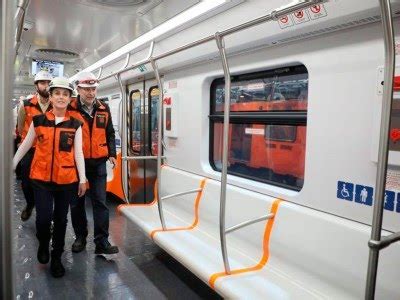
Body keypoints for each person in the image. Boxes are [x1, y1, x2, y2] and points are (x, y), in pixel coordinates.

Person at [13, 77, 87, 278]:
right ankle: (44, 242)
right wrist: (11, 165)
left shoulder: (75, 124)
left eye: (65, 94)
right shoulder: (38, 121)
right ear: (51, 97)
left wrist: (82, 179)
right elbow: (26, 145)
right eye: (57, 94)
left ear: (70, 98)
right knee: (44, 219)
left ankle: (56, 257)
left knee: (61, 220)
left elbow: (78, 153)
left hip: (66, 180)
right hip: (41, 179)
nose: (61, 97)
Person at [69, 71, 119, 255]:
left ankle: (102, 241)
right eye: (87, 89)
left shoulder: (103, 108)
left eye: (93, 89)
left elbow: (110, 133)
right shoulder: (70, 109)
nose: (91, 93)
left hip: (98, 162)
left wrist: (112, 153)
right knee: (77, 203)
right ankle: (80, 237)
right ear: (79, 89)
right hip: (76, 163)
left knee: (100, 202)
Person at [17, 70, 53, 221]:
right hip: (30, 150)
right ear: (36, 86)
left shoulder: (56, 105)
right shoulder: (25, 105)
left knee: (48, 185)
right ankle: (30, 204)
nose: (45, 86)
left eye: (48, 83)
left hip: (48, 151)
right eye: (42, 83)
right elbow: (20, 127)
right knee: (26, 183)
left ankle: (46, 217)